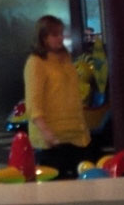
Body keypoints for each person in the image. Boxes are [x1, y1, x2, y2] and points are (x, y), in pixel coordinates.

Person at [23, 14, 95, 179]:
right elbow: (33, 102)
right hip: (52, 139)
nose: (60, 38)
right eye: (55, 35)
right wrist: (46, 131)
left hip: (77, 134)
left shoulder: (65, 58)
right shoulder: (36, 62)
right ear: (43, 37)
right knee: (57, 185)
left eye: (61, 34)